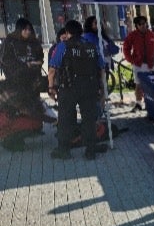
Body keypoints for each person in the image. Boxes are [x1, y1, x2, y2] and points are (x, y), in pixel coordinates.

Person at [47, 19, 106, 160]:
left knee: (65, 119)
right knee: (89, 119)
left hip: (68, 88)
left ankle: (64, 150)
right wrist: (102, 88)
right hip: (89, 88)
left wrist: (51, 87)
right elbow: (102, 69)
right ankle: (90, 150)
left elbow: (52, 70)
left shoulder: (62, 46)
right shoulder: (92, 46)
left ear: (67, 33)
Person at [0, 17, 45, 117]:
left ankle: (35, 124)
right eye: (25, 29)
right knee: (18, 103)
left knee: (34, 103)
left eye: (29, 29)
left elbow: (40, 56)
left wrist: (37, 63)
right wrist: (25, 65)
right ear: (19, 29)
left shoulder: (34, 42)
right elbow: (5, 60)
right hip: (15, 79)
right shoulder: (10, 41)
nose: (27, 32)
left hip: (32, 79)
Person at [122, 15, 154, 111]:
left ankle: (153, 102)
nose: (143, 25)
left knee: (153, 84)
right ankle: (139, 103)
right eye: (141, 24)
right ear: (137, 25)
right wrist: (131, 59)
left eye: (144, 23)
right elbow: (126, 47)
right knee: (138, 84)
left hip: (151, 64)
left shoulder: (153, 35)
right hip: (138, 64)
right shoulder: (132, 35)